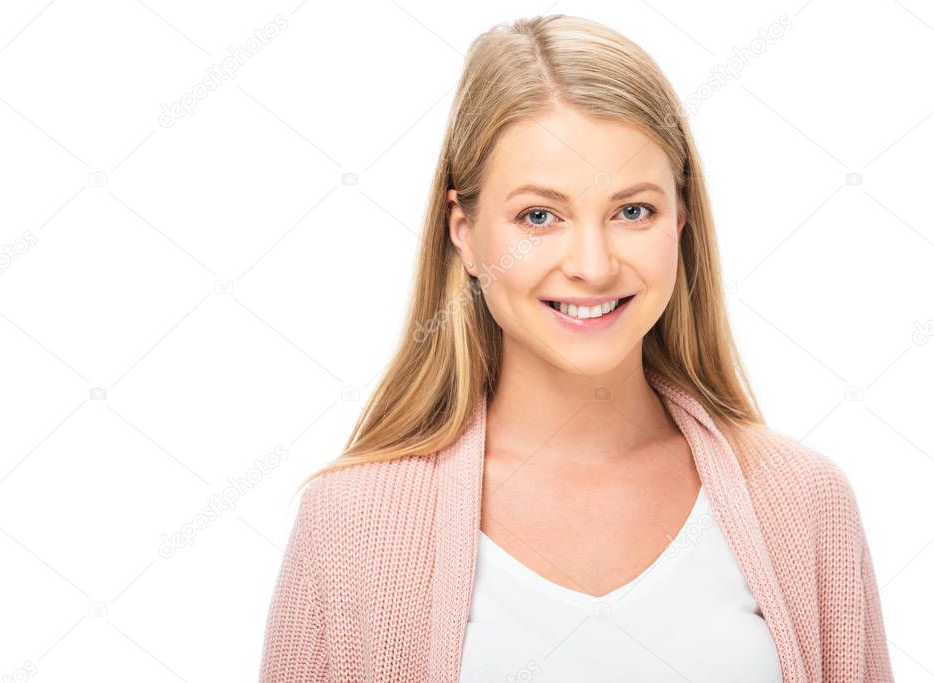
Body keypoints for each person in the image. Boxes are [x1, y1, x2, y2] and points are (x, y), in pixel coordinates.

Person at [259, 14, 893, 682]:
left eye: (632, 211)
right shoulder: (351, 523)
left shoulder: (802, 500)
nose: (591, 265)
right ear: (465, 232)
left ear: (680, 218)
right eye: (539, 216)